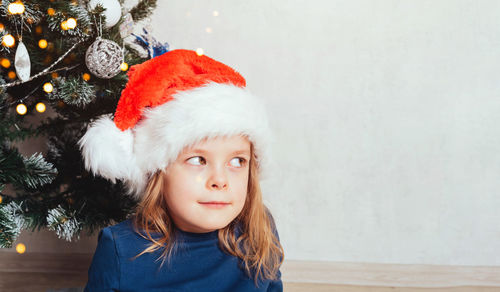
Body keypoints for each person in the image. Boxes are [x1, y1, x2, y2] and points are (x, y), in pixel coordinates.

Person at [78, 49, 284, 291]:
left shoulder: (259, 229)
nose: (220, 180)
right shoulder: (121, 249)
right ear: (158, 172)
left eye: (237, 161)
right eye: (198, 160)